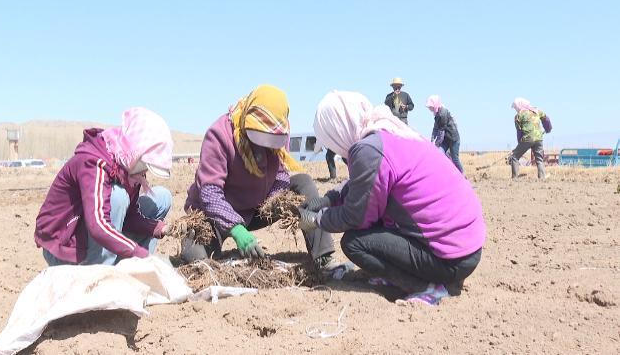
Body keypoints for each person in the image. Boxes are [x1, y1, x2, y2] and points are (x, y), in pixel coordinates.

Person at [299, 90, 486, 305]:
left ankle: (427, 287)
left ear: (337, 130)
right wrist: (328, 199)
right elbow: (365, 184)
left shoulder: (367, 150)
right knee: (375, 222)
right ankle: (417, 276)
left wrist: (318, 220)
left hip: (450, 258)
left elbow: (355, 216)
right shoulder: (390, 133)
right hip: (466, 248)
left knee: (354, 242)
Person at [183, 84, 336, 266]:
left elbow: (281, 174)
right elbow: (210, 192)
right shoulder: (219, 135)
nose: (265, 147)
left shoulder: (279, 130)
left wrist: (273, 202)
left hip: (257, 207)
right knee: (195, 259)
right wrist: (236, 228)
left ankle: (323, 257)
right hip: (215, 213)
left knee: (303, 183)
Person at [35, 107, 174, 266]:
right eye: (145, 165)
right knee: (119, 196)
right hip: (65, 245)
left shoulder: (129, 166)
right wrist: (143, 256)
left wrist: (162, 228)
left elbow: (128, 217)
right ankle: (99, 272)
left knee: (162, 196)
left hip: (92, 235)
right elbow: (98, 226)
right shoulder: (94, 163)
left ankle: (135, 268)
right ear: (137, 151)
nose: (144, 172)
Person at [510, 98, 552, 179]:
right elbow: (546, 119)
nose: (516, 109)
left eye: (515, 107)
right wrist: (548, 129)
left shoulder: (518, 116)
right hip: (539, 138)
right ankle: (542, 178)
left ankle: (514, 179)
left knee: (514, 156)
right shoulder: (536, 111)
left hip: (527, 139)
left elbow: (519, 132)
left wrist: (520, 144)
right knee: (539, 159)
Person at [426, 95, 464, 173]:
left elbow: (441, 131)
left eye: (430, 106)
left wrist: (436, 144)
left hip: (453, 139)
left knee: (455, 158)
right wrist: (432, 140)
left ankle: (462, 175)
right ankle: (447, 173)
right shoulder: (436, 114)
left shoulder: (443, 113)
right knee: (439, 153)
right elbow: (435, 128)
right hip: (446, 139)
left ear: (435, 104)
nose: (429, 108)